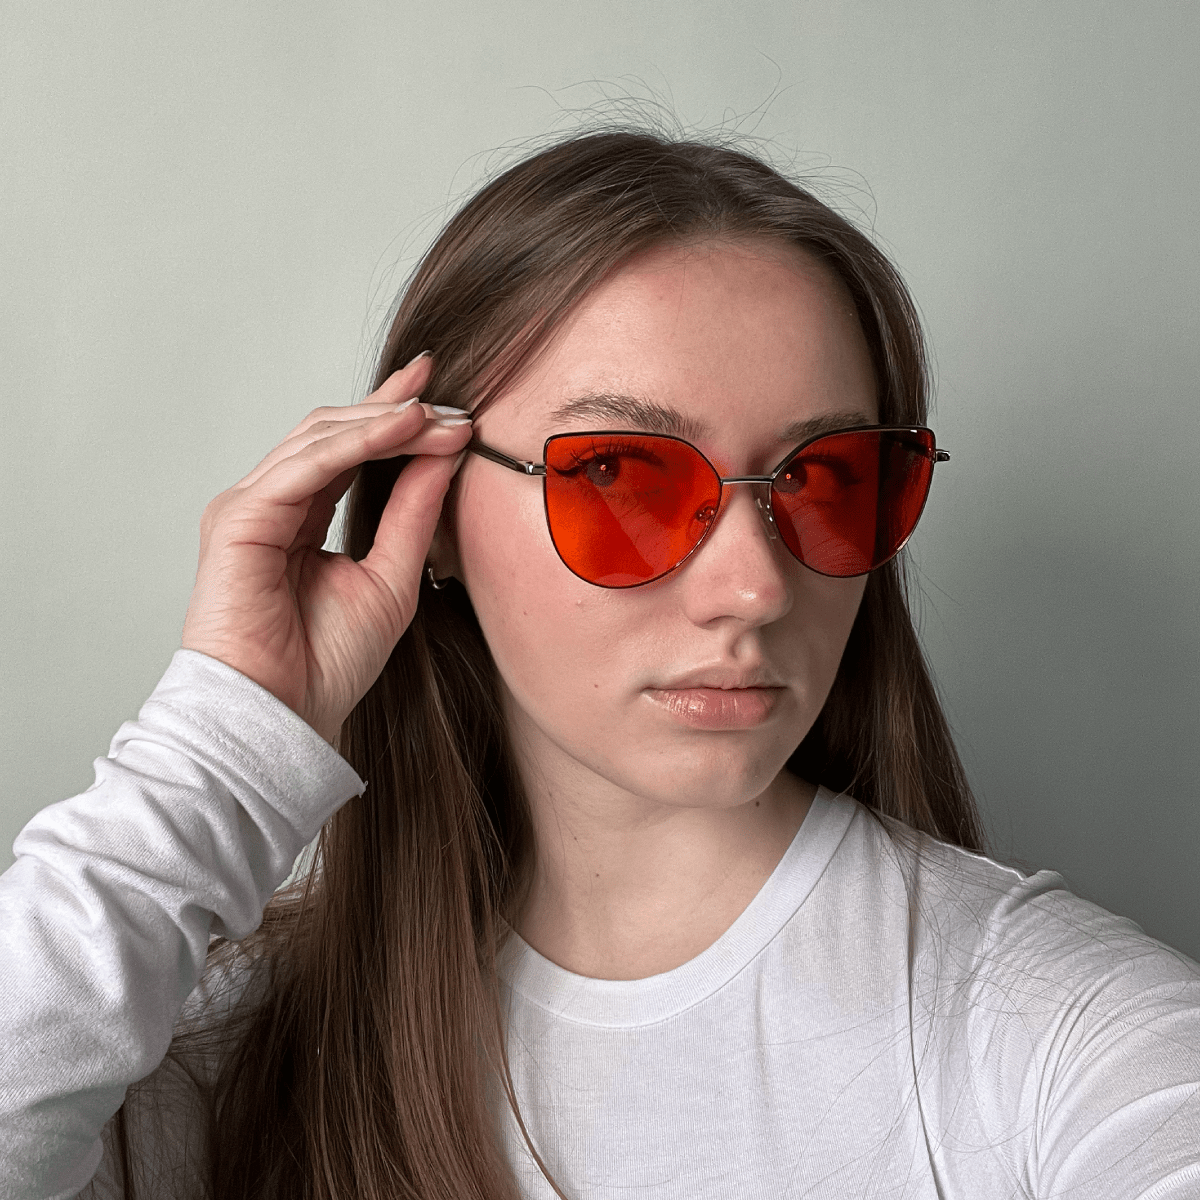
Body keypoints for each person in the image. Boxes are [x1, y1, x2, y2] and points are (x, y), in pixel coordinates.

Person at [2, 127, 1198, 1200]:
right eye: (620, 473)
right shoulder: (221, 1059)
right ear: (430, 510)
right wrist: (222, 742)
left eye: (824, 478)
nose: (755, 587)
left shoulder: (1057, 1034)